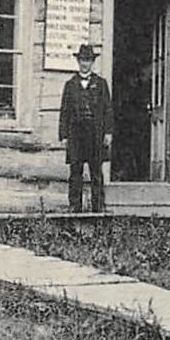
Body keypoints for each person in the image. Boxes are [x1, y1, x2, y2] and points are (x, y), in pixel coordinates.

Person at [58, 43, 112, 213]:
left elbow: (108, 109)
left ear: (92, 62)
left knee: (96, 171)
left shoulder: (101, 84)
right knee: (76, 170)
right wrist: (64, 135)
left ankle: (98, 207)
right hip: (76, 134)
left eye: (88, 60)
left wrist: (108, 132)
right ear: (78, 61)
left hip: (95, 133)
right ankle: (75, 206)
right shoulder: (70, 85)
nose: (85, 64)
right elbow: (64, 111)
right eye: (82, 60)